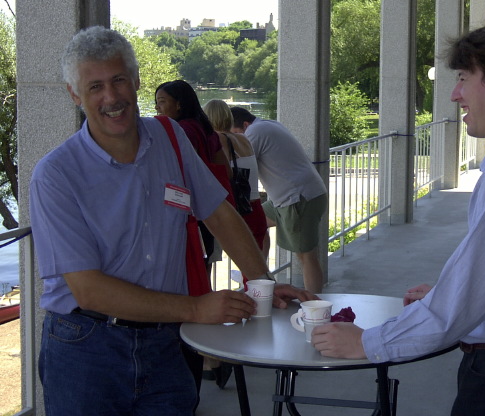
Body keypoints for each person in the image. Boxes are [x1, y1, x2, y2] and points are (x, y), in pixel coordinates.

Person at [29, 26, 316, 416]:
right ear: (75, 95)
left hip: (166, 344)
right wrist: (197, 309)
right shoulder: (56, 175)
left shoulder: (170, 137)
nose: (111, 97)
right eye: (94, 87)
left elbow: (219, 213)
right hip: (87, 349)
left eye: (118, 80)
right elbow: (89, 290)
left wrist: (261, 282)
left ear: (137, 81)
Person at [312, 21, 485, 416]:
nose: (456, 94)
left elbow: (465, 299)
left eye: (463, 78)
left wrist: (368, 342)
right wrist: (449, 294)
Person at [231, 107, 328, 294]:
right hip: (291, 197)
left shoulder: (254, 132)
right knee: (259, 223)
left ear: (245, 125)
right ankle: (260, 276)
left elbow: (240, 164)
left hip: (298, 198)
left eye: (235, 134)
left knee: (306, 255)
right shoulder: (268, 124)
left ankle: (314, 305)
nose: (235, 139)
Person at [155, 80, 231, 277]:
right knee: (204, 267)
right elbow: (226, 169)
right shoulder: (206, 128)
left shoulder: (181, 131)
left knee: (188, 269)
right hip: (211, 208)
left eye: (162, 101)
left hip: (188, 212)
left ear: (179, 104)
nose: (157, 108)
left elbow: (177, 173)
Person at [203, 99, 267, 263]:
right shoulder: (243, 138)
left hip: (239, 210)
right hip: (255, 207)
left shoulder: (217, 140)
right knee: (255, 274)